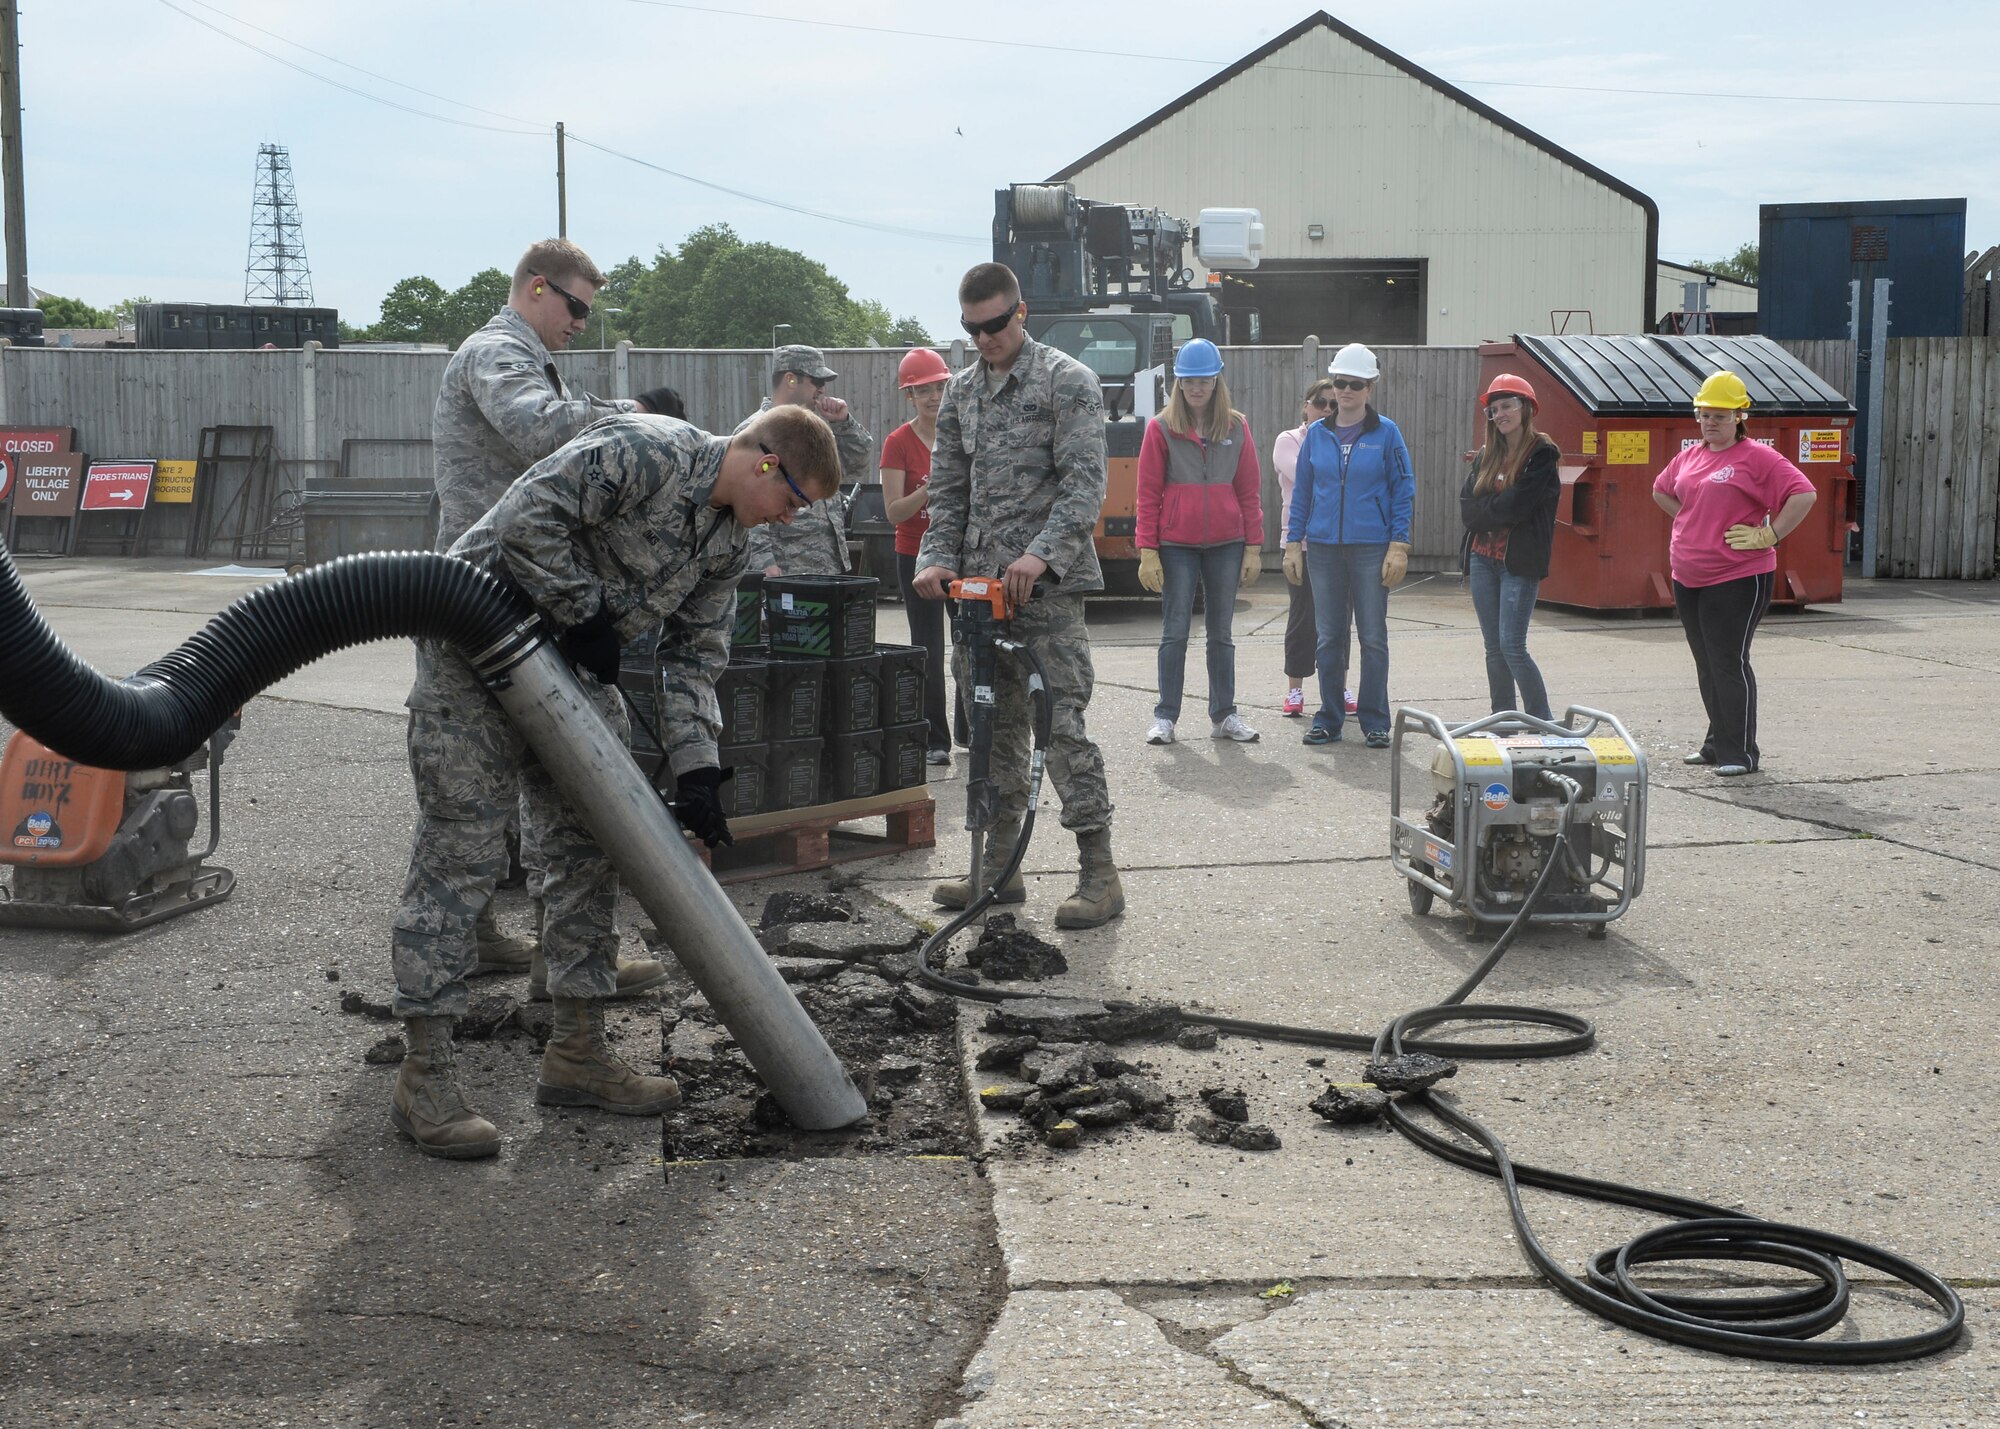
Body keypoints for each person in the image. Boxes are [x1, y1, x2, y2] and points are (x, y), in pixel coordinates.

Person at [391, 405, 842, 1158]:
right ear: (766, 461)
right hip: (474, 645)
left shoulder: (728, 542)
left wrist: (699, 771)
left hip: (570, 665)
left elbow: (694, 657)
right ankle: (425, 1074)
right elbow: (526, 517)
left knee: (587, 848)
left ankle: (578, 1051)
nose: (784, 520)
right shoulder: (646, 451)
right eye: (792, 500)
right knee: (461, 853)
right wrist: (583, 609)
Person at [431, 237, 679, 992]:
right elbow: (541, 429)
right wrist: (630, 415)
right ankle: (492, 957)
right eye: (575, 307)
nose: (581, 323)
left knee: (530, 783)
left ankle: (549, 953)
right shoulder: (496, 354)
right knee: (476, 791)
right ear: (538, 288)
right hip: (482, 594)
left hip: (515, 593)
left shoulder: (529, 356)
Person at [912, 261, 1124, 930]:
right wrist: (935, 558)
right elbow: (947, 491)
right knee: (992, 732)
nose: (984, 339)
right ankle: (997, 869)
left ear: (1021, 312)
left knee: (1060, 728)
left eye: (996, 325)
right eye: (972, 329)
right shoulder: (962, 394)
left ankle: (1100, 872)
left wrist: (1040, 554)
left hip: (1046, 594)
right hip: (978, 594)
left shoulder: (1069, 382)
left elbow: (1085, 485)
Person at [1651, 370, 1817, 777]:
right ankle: (1715, 743)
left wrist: (1770, 534)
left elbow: (1804, 493)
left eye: (1721, 416)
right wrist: (1692, 519)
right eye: (1705, 415)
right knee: (1706, 662)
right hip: (1688, 575)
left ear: (1740, 417)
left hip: (1738, 576)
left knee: (1729, 662)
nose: (1711, 423)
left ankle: (1740, 753)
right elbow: (1661, 489)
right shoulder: (1690, 456)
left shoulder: (1758, 457)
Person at [1282, 343, 1414, 749]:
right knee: (1328, 637)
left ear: (1370, 387)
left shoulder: (1387, 433)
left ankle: (1375, 720)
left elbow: (1402, 489)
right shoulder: (1317, 436)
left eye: (1355, 384)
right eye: (1340, 383)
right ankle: (1329, 717)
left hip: (1372, 548)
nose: (1345, 391)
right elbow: (1302, 491)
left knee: (1373, 636)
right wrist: (1292, 544)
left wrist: (1399, 545)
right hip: (1321, 549)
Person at [1134, 338, 1263, 745]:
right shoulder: (1160, 428)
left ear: (1216, 380)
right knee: (1175, 632)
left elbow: (1249, 491)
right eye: (1189, 380)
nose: (1196, 388)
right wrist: (1147, 550)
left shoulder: (1237, 427)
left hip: (1227, 543)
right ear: (1179, 383)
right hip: (1176, 545)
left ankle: (1224, 715)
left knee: (1221, 634)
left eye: (1204, 380)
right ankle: (1165, 717)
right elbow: (1148, 493)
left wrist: (1254, 546)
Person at [1459, 374, 1560, 720]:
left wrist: (1489, 511)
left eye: (1508, 406)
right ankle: (1503, 720)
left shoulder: (1542, 454)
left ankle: (1542, 721)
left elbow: (1519, 506)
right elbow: (1467, 510)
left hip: (1518, 564)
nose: (1500, 414)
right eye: (1495, 409)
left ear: (1527, 408)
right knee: (1493, 649)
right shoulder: (1486, 454)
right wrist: (1494, 513)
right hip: (1483, 560)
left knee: (1512, 646)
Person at [736, 344, 874, 576]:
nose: (822, 389)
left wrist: (843, 423)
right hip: (786, 569)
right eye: (816, 381)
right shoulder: (756, 431)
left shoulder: (816, 430)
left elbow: (855, 465)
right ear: (791, 380)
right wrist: (763, 563)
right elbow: (744, 504)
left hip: (828, 566)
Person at [881, 347, 956, 766]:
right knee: (927, 648)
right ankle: (935, 739)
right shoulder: (898, 443)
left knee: (970, 643)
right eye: (923, 390)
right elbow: (894, 511)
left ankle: (969, 729)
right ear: (910, 396)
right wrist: (932, 486)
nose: (933, 397)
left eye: (939, 388)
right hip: (916, 556)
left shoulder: (962, 433)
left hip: (960, 555)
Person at [1271, 378, 1355, 722]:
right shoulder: (1288, 440)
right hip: (1300, 543)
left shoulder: (1347, 437)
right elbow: (1310, 476)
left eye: (1333, 405)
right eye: (1320, 402)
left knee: (1339, 621)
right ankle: (1295, 688)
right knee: (1303, 618)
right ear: (1306, 405)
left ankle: (1340, 685)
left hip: (1339, 542)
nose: (1327, 409)